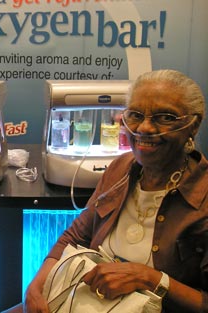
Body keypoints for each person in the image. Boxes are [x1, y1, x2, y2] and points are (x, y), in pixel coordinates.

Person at [15, 69, 207, 313]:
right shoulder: (121, 168)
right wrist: (35, 287)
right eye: (136, 115)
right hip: (83, 302)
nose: (145, 128)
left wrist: (151, 279)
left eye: (165, 117)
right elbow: (74, 237)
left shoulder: (203, 197)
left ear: (194, 124)